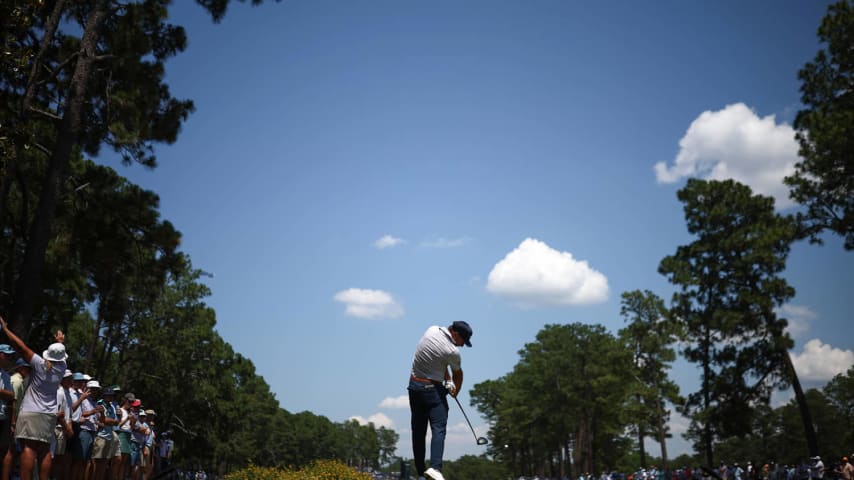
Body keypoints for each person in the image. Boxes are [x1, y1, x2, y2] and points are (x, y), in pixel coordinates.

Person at [0, 315, 67, 480]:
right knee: (44, 451)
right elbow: (57, 356)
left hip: (31, 411)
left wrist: (6, 330)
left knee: (28, 449)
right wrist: (60, 343)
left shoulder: (39, 363)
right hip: (49, 413)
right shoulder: (62, 367)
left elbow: (21, 347)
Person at [408, 320, 473, 480]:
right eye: (463, 341)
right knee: (439, 427)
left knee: (418, 431)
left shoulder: (431, 330)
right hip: (432, 390)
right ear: (456, 334)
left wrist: (447, 379)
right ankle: (435, 468)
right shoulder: (452, 351)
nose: (462, 345)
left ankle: (421, 471)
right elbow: (459, 374)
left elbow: (438, 360)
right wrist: (454, 391)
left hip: (414, 387)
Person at [0, 345, 17, 467]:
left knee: (3, 450)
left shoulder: (6, 375)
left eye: (10, 356)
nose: (9, 359)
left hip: (2, 417)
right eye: (6, 355)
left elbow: (11, 395)